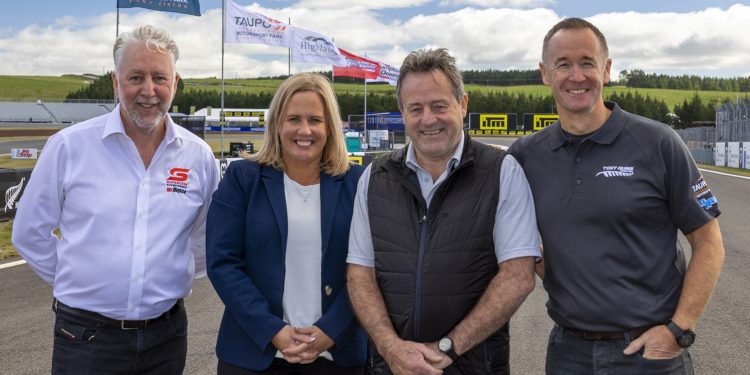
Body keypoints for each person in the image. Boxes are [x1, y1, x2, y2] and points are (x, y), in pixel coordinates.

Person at [509, 18, 726, 374]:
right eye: (563, 65)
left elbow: (709, 243)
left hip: (649, 354)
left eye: (587, 63)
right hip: (568, 351)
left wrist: (679, 329)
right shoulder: (525, 155)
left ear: (606, 70)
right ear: (545, 73)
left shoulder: (658, 143)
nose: (576, 76)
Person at [12, 25, 219, 374]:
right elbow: (30, 233)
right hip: (85, 336)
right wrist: (79, 280)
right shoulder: (68, 146)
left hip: (166, 336)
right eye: (136, 77)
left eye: (159, 77)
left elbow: (205, 236)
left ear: (175, 83)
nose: (149, 90)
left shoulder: (198, 156)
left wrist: (172, 275)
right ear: (115, 81)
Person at [347, 48, 540, 375]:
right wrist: (390, 348)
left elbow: (518, 276)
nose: (428, 119)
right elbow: (359, 275)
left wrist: (446, 349)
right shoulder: (375, 177)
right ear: (402, 112)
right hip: (390, 366)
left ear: (463, 105)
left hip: (474, 366)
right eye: (416, 108)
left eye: (439, 106)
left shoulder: (502, 172)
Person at [206, 72, 367, 374]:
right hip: (253, 355)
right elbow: (223, 262)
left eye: (315, 120)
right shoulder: (243, 179)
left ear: (330, 127)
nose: (304, 130)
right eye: (294, 119)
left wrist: (331, 330)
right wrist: (272, 331)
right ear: (277, 124)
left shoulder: (358, 184)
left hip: (338, 355)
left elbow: (369, 268)